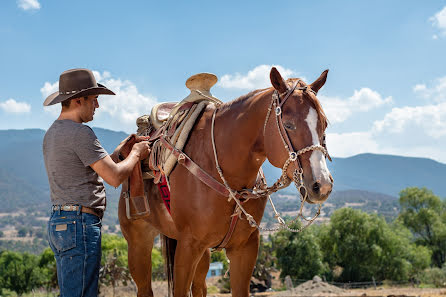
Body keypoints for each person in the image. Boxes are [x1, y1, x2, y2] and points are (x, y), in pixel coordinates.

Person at [42, 68, 150, 297]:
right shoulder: (80, 133)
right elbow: (114, 177)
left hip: (61, 223)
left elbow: (95, 169)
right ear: (78, 100)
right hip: (80, 224)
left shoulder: (52, 133)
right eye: (94, 100)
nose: (97, 106)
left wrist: (120, 154)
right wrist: (137, 153)